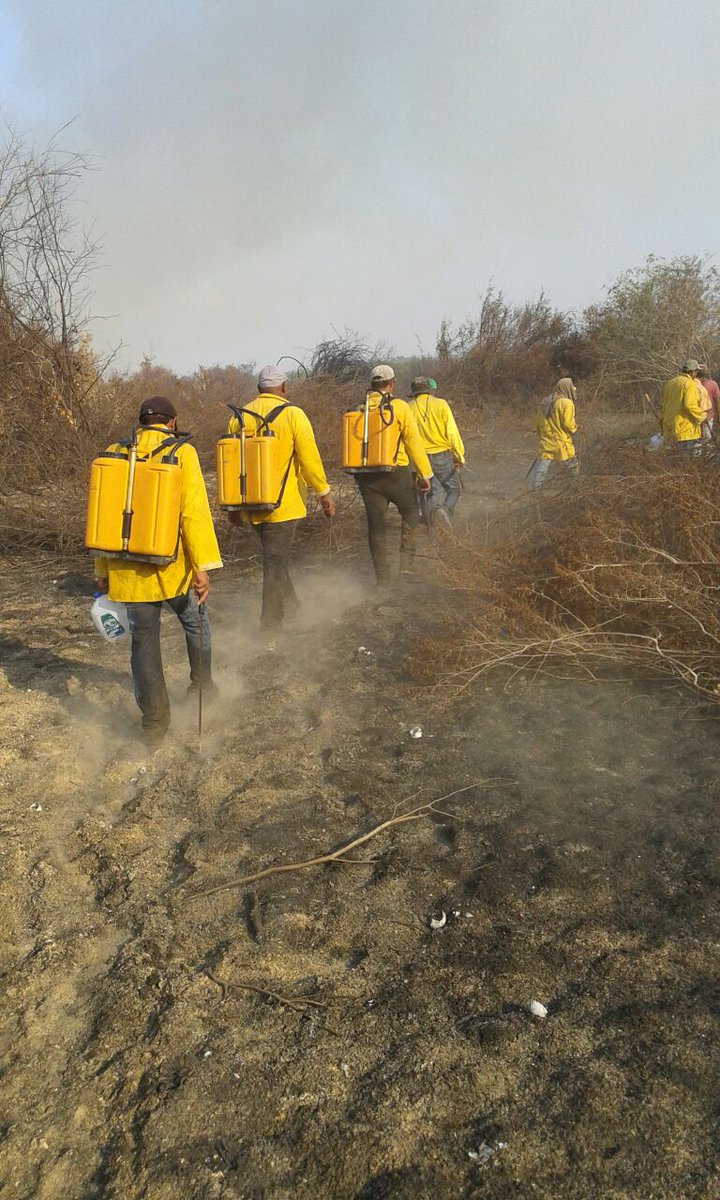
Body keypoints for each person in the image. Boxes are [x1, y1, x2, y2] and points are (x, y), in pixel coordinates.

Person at [94, 396, 222, 746]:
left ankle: (154, 725)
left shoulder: (115, 452)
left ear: (141, 421)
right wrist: (202, 567)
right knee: (195, 622)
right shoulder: (182, 453)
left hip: (128, 571)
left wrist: (102, 567)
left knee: (143, 644)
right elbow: (193, 513)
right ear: (172, 422)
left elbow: (102, 513)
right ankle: (202, 687)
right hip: (172, 570)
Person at [227, 365, 335, 633]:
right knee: (274, 563)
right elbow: (309, 458)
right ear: (284, 387)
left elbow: (229, 464)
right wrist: (323, 492)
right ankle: (270, 625)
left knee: (275, 559)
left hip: (250, 505)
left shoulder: (239, 417)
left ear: (258, 389)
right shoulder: (294, 414)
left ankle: (293, 606)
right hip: (283, 507)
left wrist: (232, 507)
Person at [353, 365, 433, 585]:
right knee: (411, 513)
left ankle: (382, 577)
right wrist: (424, 474)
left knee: (376, 525)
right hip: (396, 474)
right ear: (391, 383)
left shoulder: (359, 409)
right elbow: (413, 442)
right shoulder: (399, 407)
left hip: (367, 477)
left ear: (372, 384)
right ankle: (406, 564)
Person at [407, 376, 465, 527]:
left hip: (418, 459)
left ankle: (431, 527)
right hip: (441, 456)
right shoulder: (441, 404)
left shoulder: (408, 408)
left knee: (426, 493)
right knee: (453, 490)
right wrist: (459, 456)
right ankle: (444, 511)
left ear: (414, 392)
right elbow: (452, 433)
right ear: (430, 390)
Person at [528, 377, 579, 489]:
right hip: (562, 441)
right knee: (572, 465)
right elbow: (568, 424)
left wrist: (542, 436)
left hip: (546, 440)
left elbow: (537, 423)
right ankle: (576, 487)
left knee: (542, 466)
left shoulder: (545, 401)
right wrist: (574, 428)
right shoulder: (567, 403)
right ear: (567, 388)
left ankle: (536, 489)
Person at [660, 360, 705, 453]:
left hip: (670, 428)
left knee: (675, 459)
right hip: (686, 430)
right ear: (692, 371)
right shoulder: (690, 384)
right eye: (696, 371)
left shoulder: (670, 383)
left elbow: (664, 405)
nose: (696, 374)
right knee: (689, 458)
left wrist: (661, 423)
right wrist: (702, 416)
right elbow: (690, 405)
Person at [697, 365, 720, 438]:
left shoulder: (691, 384)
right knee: (706, 439)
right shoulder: (712, 384)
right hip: (707, 416)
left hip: (694, 417)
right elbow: (718, 401)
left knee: (695, 440)